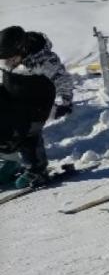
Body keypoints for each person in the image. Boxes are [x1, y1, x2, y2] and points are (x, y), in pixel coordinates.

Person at [0, 25, 74, 188]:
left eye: (11, 58)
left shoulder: (44, 60)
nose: (8, 62)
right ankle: (10, 161)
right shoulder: (7, 55)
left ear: (23, 48)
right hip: (14, 97)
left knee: (25, 132)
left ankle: (37, 170)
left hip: (36, 104)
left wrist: (65, 101)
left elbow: (63, 79)